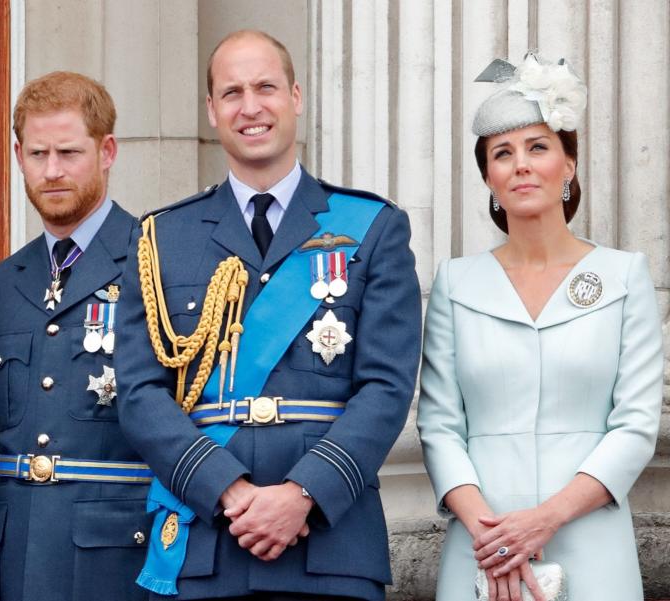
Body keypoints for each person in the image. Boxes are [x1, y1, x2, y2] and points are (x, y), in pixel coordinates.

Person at [114, 30, 421, 600]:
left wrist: (303, 493)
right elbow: (138, 393)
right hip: (208, 541)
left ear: (296, 96)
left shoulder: (372, 227)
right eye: (231, 92)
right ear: (211, 110)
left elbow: (386, 387)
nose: (250, 107)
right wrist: (229, 492)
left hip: (329, 546)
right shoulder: (162, 237)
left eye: (265, 87)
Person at [417, 54, 664, 601]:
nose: (521, 165)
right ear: (488, 178)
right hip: (481, 546)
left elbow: (636, 425)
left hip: (590, 538)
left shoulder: (623, 275)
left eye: (538, 147)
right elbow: (438, 426)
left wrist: (543, 521)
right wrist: (496, 536)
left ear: (569, 164)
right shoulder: (456, 283)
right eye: (502, 154)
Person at [0, 71, 152, 601]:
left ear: (107, 150)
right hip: (14, 555)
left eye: (69, 153)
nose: (51, 172)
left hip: (118, 558)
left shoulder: (157, 260)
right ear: (18, 155)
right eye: (37, 154)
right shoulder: (1, 284)